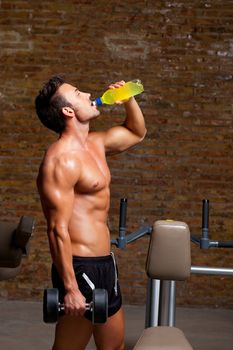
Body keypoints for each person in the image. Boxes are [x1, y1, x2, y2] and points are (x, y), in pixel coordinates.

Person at [35, 75, 146, 350]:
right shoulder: (61, 160)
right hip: (80, 266)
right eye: (77, 93)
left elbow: (136, 133)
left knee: (114, 346)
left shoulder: (96, 144)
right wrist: (71, 288)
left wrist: (128, 100)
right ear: (68, 111)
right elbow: (56, 229)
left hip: (105, 262)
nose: (87, 94)